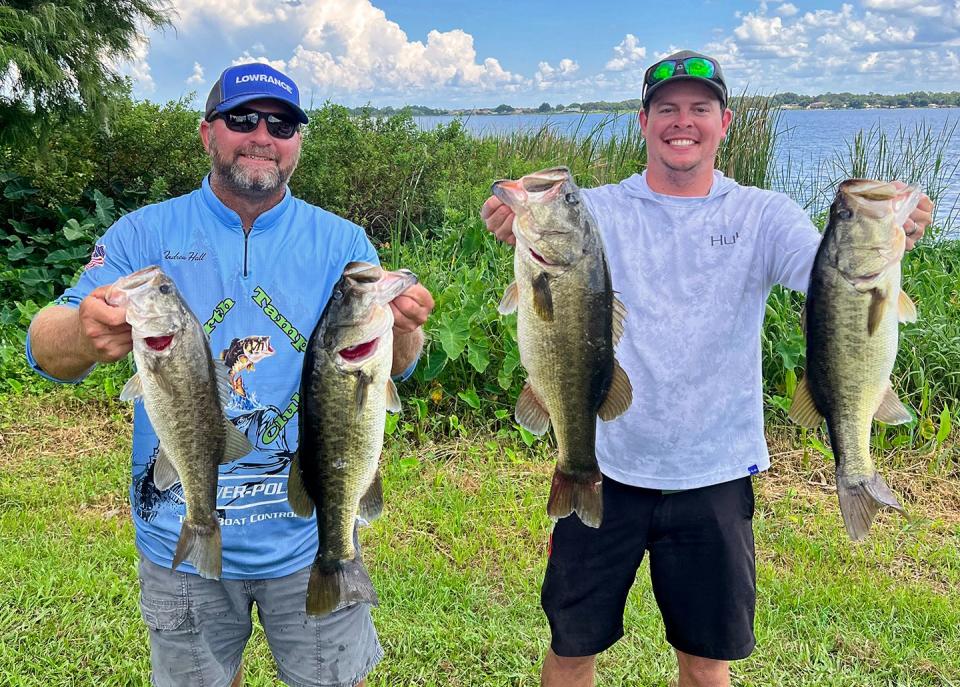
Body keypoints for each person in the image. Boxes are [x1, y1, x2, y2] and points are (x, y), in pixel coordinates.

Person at [481, 50, 933, 687]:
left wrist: (891, 236)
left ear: (724, 123)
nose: (682, 121)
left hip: (716, 472)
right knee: (572, 649)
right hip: (607, 465)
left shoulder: (764, 214)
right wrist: (508, 211)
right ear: (643, 122)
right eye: (666, 109)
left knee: (705, 663)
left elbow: (831, 278)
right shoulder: (596, 212)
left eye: (700, 108)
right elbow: (536, 234)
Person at [26, 62, 434, 687]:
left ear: (299, 139)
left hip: (308, 535)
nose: (262, 135)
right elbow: (43, 345)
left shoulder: (343, 243)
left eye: (282, 122)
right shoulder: (142, 235)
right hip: (178, 545)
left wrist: (404, 332)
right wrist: (82, 331)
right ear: (207, 133)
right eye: (242, 119)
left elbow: (392, 370)